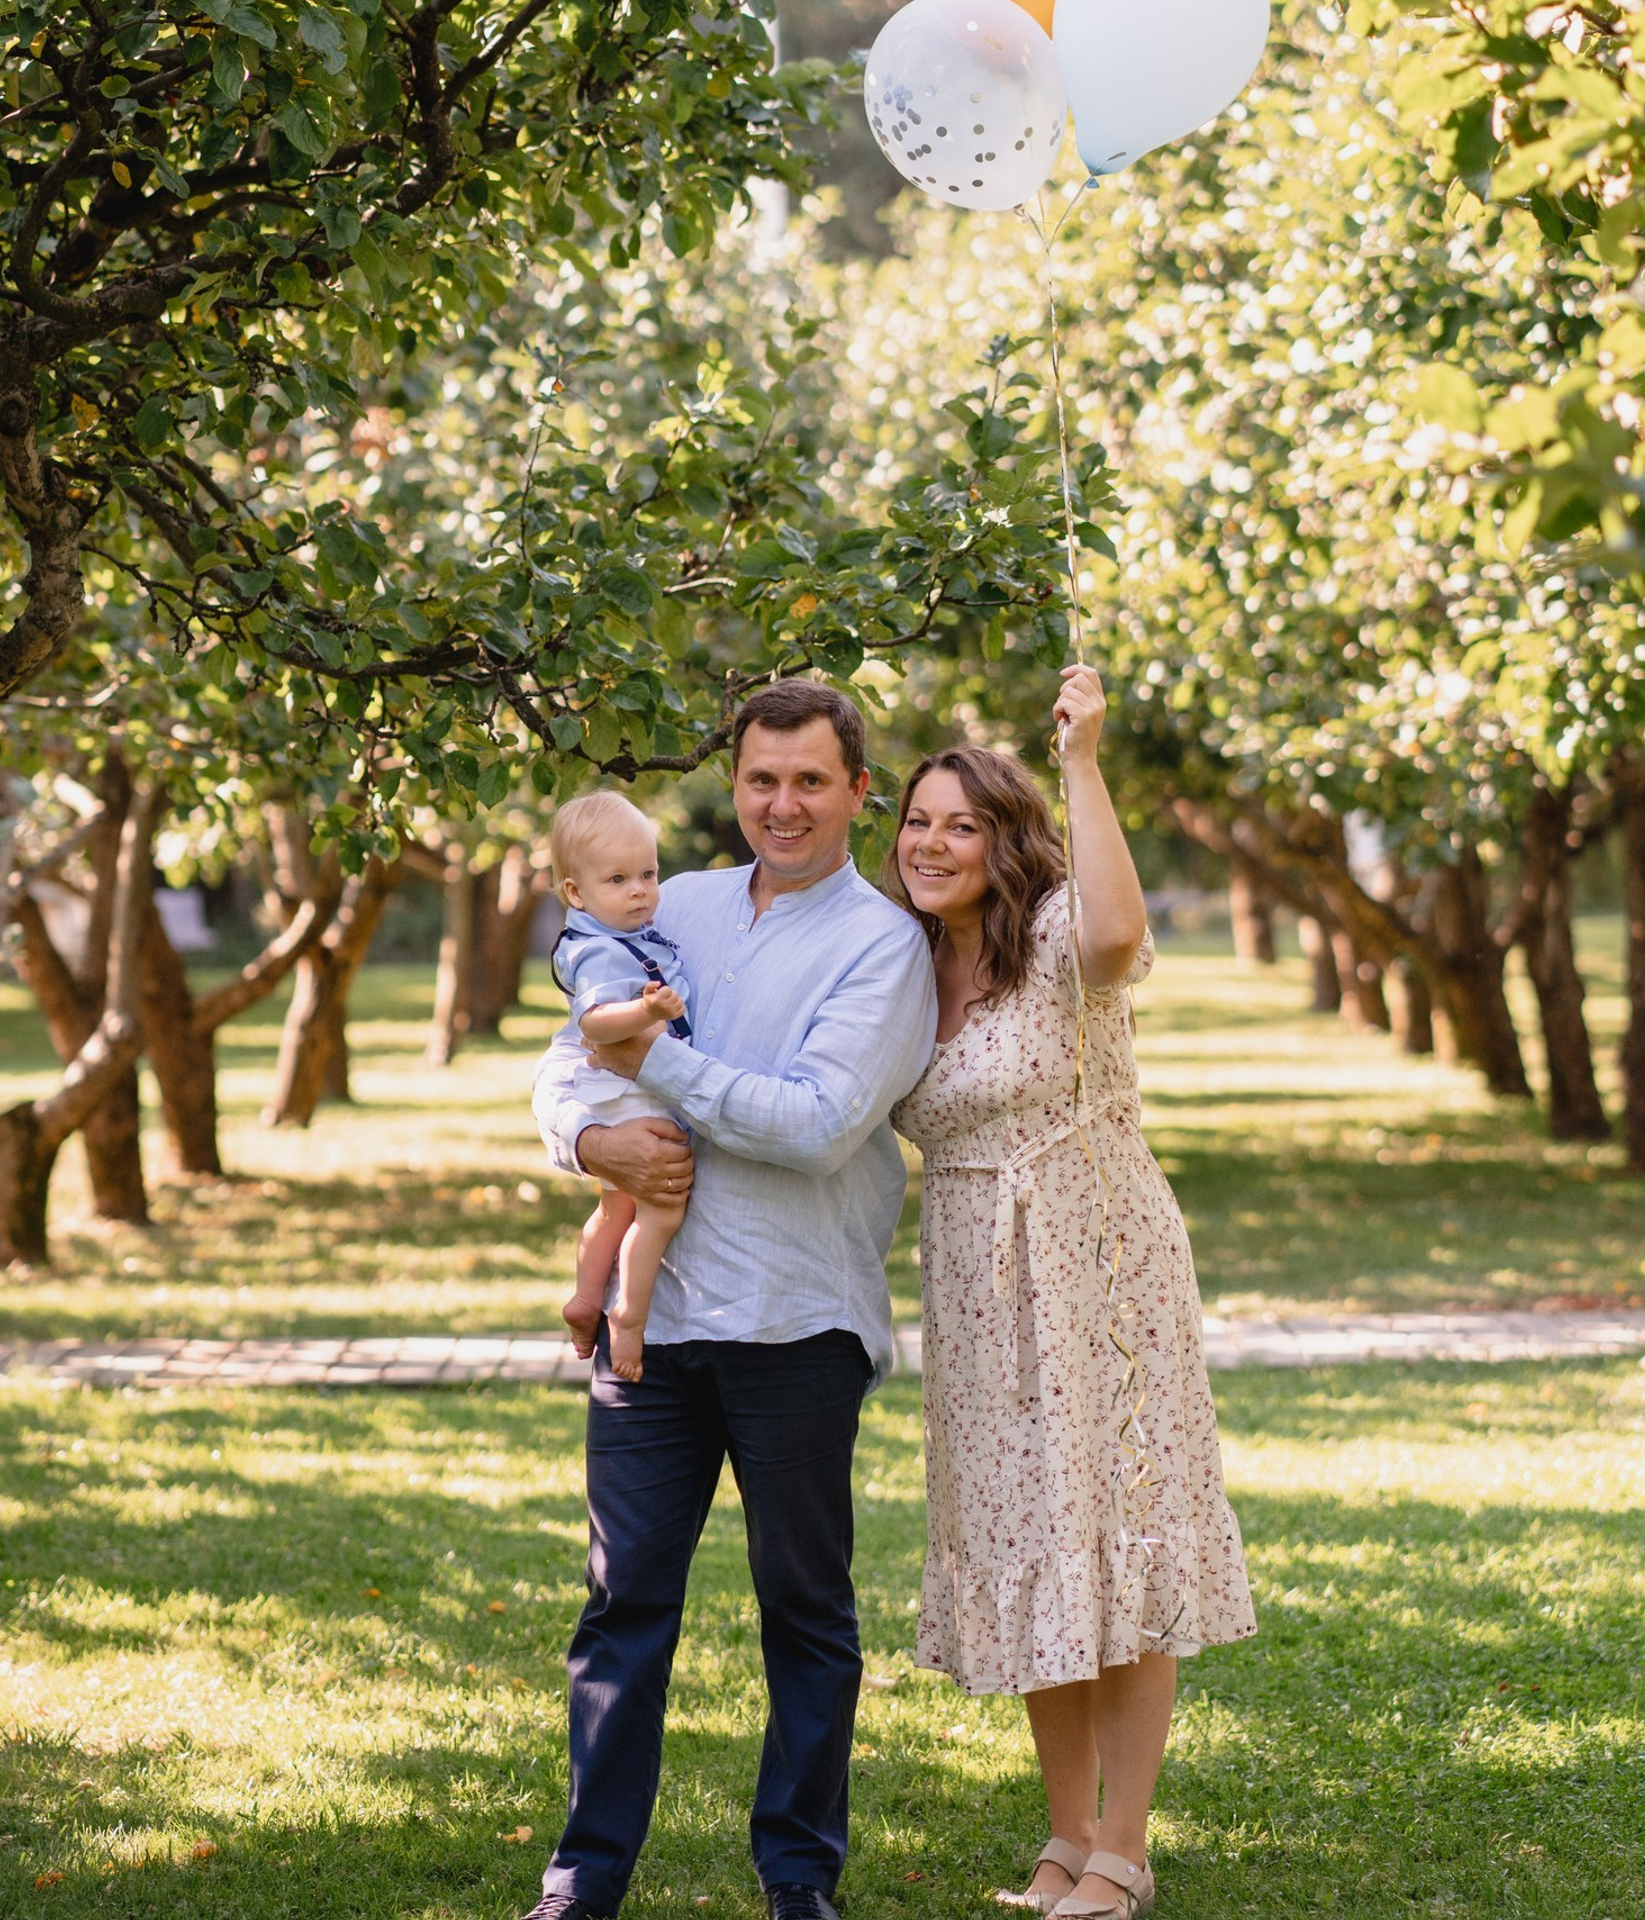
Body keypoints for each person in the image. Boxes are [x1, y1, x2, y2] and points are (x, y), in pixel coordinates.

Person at [524, 680, 936, 1920]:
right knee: (622, 1605)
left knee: (804, 1611)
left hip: (796, 1322)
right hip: (651, 1334)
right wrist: (593, 1143)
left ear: (859, 792)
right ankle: (585, 1877)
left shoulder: (886, 947)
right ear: (735, 784)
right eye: (762, 778)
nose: (782, 804)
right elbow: (564, 1061)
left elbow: (816, 1126)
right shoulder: (670, 903)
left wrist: (658, 1062)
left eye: (811, 780)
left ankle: (798, 1875)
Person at [885, 665, 1256, 1920]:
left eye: (962, 825)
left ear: (1007, 840)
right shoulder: (907, 965)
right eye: (917, 821)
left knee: (1122, 1540)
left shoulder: (1055, 935)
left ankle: (1124, 1851)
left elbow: (1114, 934)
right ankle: (1065, 1837)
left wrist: (1084, 760)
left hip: (1100, 1274)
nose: (932, 844)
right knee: (1033, 1546)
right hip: (978, 1295)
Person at [547, 789, 695, 1383]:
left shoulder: (621, 933)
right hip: (634, 1092)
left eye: (648, 874)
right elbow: (595, 1023)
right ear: (576, 892)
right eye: (618, 879)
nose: (639, 891)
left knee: (616, 1204)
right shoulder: (602, 952)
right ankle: (629, 1315)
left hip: (615, 1091)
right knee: (662, 1207)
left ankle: (586, 1296)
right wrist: (647, 1012)